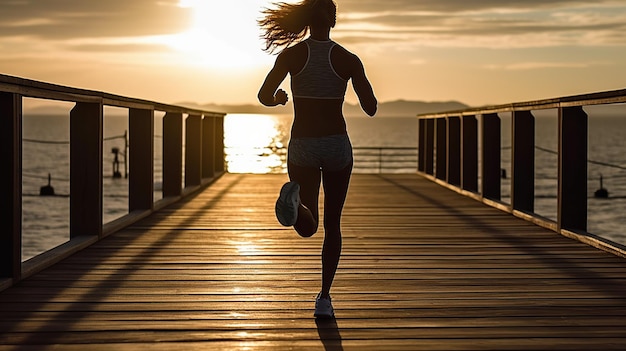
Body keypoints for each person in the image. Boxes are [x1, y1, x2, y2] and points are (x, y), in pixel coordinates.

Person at [257, 0, 377, 318]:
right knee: (332, 225)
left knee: (308, 227)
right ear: (333, 21)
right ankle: (324, 298)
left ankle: (297, 207)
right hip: (337, 145)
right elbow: (370, 107)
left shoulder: (292, 55)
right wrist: (360, 87)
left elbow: (263, 95)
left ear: (307, 19)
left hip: (303, 145)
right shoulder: (348, 59)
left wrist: (278, 99)